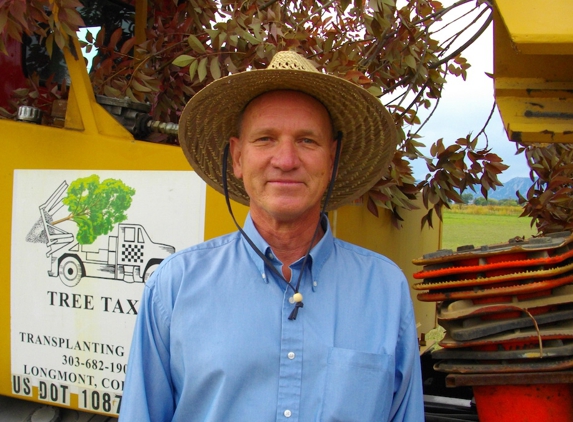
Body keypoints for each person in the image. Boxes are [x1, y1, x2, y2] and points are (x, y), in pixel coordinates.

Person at [119, 51, 424, 421]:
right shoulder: (174, 286)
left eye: (307, 141)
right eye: (265, 139)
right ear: (236, 157)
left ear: (333, 159)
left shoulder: (385, 290)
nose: (286, 159)